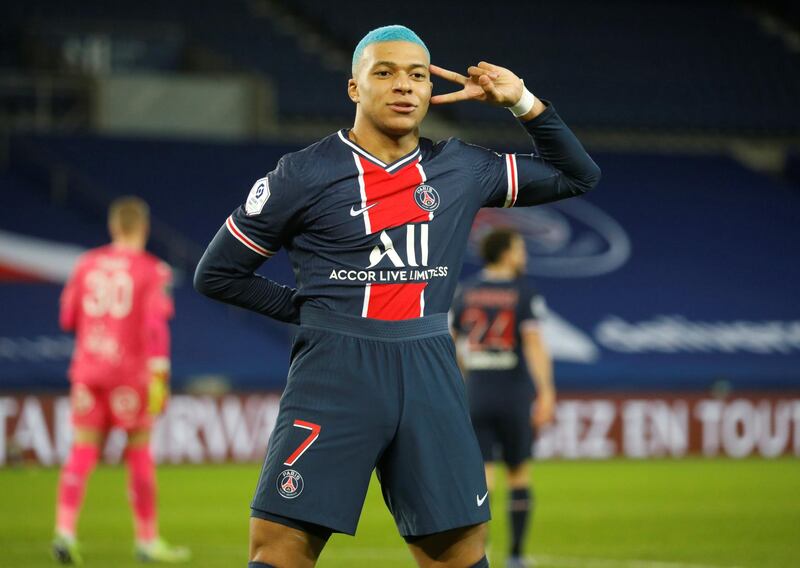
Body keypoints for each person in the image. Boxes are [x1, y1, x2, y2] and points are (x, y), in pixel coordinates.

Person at [194, 24, 599, 568]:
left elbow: (578, 175)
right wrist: (310, 310)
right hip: (335, 373)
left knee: (457, 552)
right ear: (354, 88)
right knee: (281, 550)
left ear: (432, 91)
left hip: (430, 367)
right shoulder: (302, 173)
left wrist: (520, 101)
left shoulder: (462, 167)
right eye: (384, 73)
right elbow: (218, 273)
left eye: (417, 75)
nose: (403, 86)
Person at [53, 197, 189, 564]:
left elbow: (67, 319)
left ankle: (64, 532)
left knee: (83, 449)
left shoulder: (86, 265)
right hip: (130, 374)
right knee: (139, 451)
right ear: (142, 228)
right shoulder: (152, 270)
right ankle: (147, 540)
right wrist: (160, 377)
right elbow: (155, 328)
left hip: (88, 370)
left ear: (114, 227)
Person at [451, 228, 556, 568]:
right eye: (520, 248)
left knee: (482, 480)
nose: (524, 255)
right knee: (519, 474)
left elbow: (450, 344)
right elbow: (535, 345)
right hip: (513, 393)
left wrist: (461, 378)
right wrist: (547, 393)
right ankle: (515, 556)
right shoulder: (523, 292)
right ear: (506, 253)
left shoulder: (466, 291)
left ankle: (477, 558)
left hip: (476, 392)